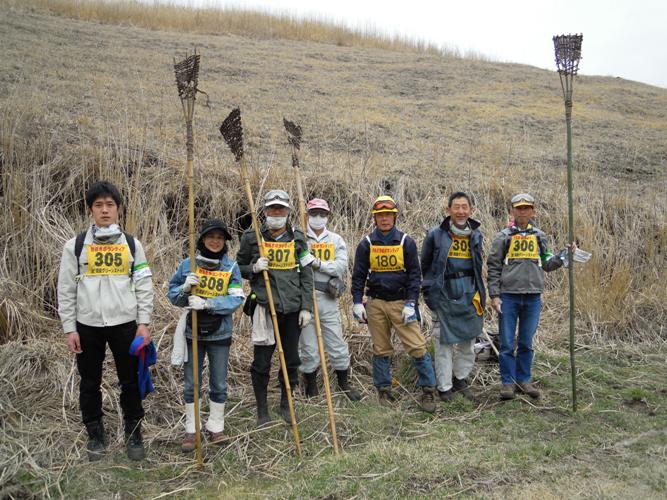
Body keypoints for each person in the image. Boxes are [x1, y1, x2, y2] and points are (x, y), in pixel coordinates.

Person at [57, 180, 153, 461]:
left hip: (125, 324)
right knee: (89, 382)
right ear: (91, 211)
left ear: (119, 209)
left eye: (110, 205)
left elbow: (144, 285)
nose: (105, 210)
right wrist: (69, 328)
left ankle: (133, 432)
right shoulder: (74, 246)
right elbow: (65, 289)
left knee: (131, 382)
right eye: (98, 205)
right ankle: (95, 434)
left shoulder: (133, 246)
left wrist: (143, 322)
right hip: (87, 326)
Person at [350, 195, 437, 413]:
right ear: (375, 219)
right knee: (381, 349)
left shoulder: (406, 241)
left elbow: (415, 275)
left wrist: (411, 302)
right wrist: (356, 302)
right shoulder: (367, 243)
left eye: (388, 215)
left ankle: (428, 391)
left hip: (401, 302)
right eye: (380, 215)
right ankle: (384, 390)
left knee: (417, 346)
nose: (385, 219)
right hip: (376, 303)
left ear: (394, 217)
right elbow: (358, 276)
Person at [236, 189, 314, 426]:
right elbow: (237, 267)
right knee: (261, 362)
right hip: (264, 307)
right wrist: (253, 269)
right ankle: (262, 411)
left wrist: (306, 307)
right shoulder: (252, 238)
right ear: (265, 211)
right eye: (272, 209)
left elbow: (306, 273)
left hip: (292, 309)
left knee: (290, 360)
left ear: (288, 212)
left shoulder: (298, 238)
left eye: (281, 209)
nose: (276, 213)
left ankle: (286, 404)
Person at [487, 193, 574, 400]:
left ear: (532, 211)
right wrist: (494, 295)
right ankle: (507, 383)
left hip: (533, 297)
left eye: (526, 208)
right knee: (507, 343)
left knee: (526, 342)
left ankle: (524, 380)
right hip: (508, 297)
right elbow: (493, 266)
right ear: (512, 211)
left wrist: (563, 256)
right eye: (519, 208)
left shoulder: (540, 236)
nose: (523, 211)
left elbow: (547, 263)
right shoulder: (503, 237)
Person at [167, 219, 244, 452]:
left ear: (225, 243)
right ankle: (192, 429)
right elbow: (174, 296)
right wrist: (184, 289)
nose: (215, 241)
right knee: (192, 383)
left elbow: (236, 299)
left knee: (219, 383)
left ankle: (216, 427)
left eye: (220, 238)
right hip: (193, 333)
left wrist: (208, 303)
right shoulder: (187, 265)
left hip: (220, 332)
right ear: (202, 239)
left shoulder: (231, 268)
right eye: (211, 237)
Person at [421, 192, 485, 403]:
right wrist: (430, 294)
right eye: (456, 207)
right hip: (444, 294)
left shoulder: (476, 235)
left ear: (471, 210)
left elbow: (478, 267)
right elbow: (426, 267)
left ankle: (460, 379)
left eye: (464, 207)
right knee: (443, 344)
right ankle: (445, 387)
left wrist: (480, 294)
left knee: (469, 341)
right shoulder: (435, 235)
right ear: (448, 210)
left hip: (469, 293)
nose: (460, 211)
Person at [299, 198, 361, 401]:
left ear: (328, 216)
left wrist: (315, 263)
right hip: (304, 298)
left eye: (322, 214)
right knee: (308, 346)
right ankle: (311, 387)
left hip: (328, 297)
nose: (318, 218)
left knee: (336, 342)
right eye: (314, 213)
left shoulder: (336, 240)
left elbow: (339, 268)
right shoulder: (299, 238)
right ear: (307, 214)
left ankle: (343, 383)